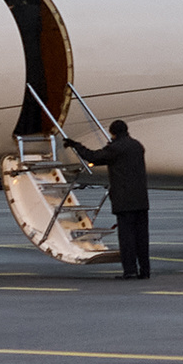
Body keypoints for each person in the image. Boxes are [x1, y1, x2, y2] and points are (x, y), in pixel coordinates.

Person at [68, 119, 150, 279]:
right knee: (142, 237)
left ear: (113, 133)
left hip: (124, 201)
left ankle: (130, 271)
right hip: (141, 199)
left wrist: (75, 145)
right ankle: (145, 270)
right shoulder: (137, 146)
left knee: (127, 238)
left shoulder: (116, 148)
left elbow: (93, 157)